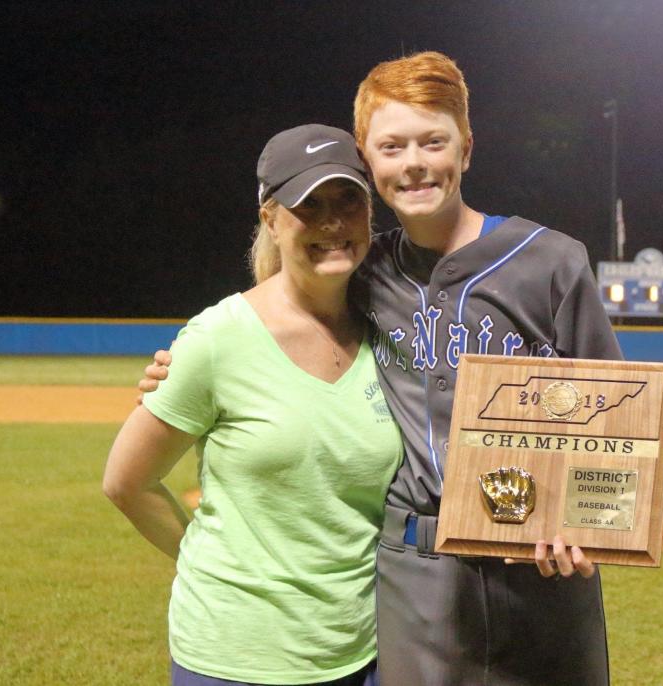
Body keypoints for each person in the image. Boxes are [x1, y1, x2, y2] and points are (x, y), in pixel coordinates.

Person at [143, 52, 622, 685]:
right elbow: (278, 309)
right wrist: (174, 372)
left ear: (467, 148)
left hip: (537, 573)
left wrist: (586, 523)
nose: (415, 161)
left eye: (434, 141)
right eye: (391, 146)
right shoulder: (364, 270)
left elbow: (618, 420)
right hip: (415, 577)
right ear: (369, 165)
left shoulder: (552, 262)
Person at [104, 124, 403, 686]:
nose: (333, 222)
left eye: (348, 201)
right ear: (270, 218)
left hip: (363, 651)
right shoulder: (220, 338)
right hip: (235, 659)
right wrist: (208, 563)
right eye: (307, 206)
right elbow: (126, 481)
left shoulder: (391, 334)